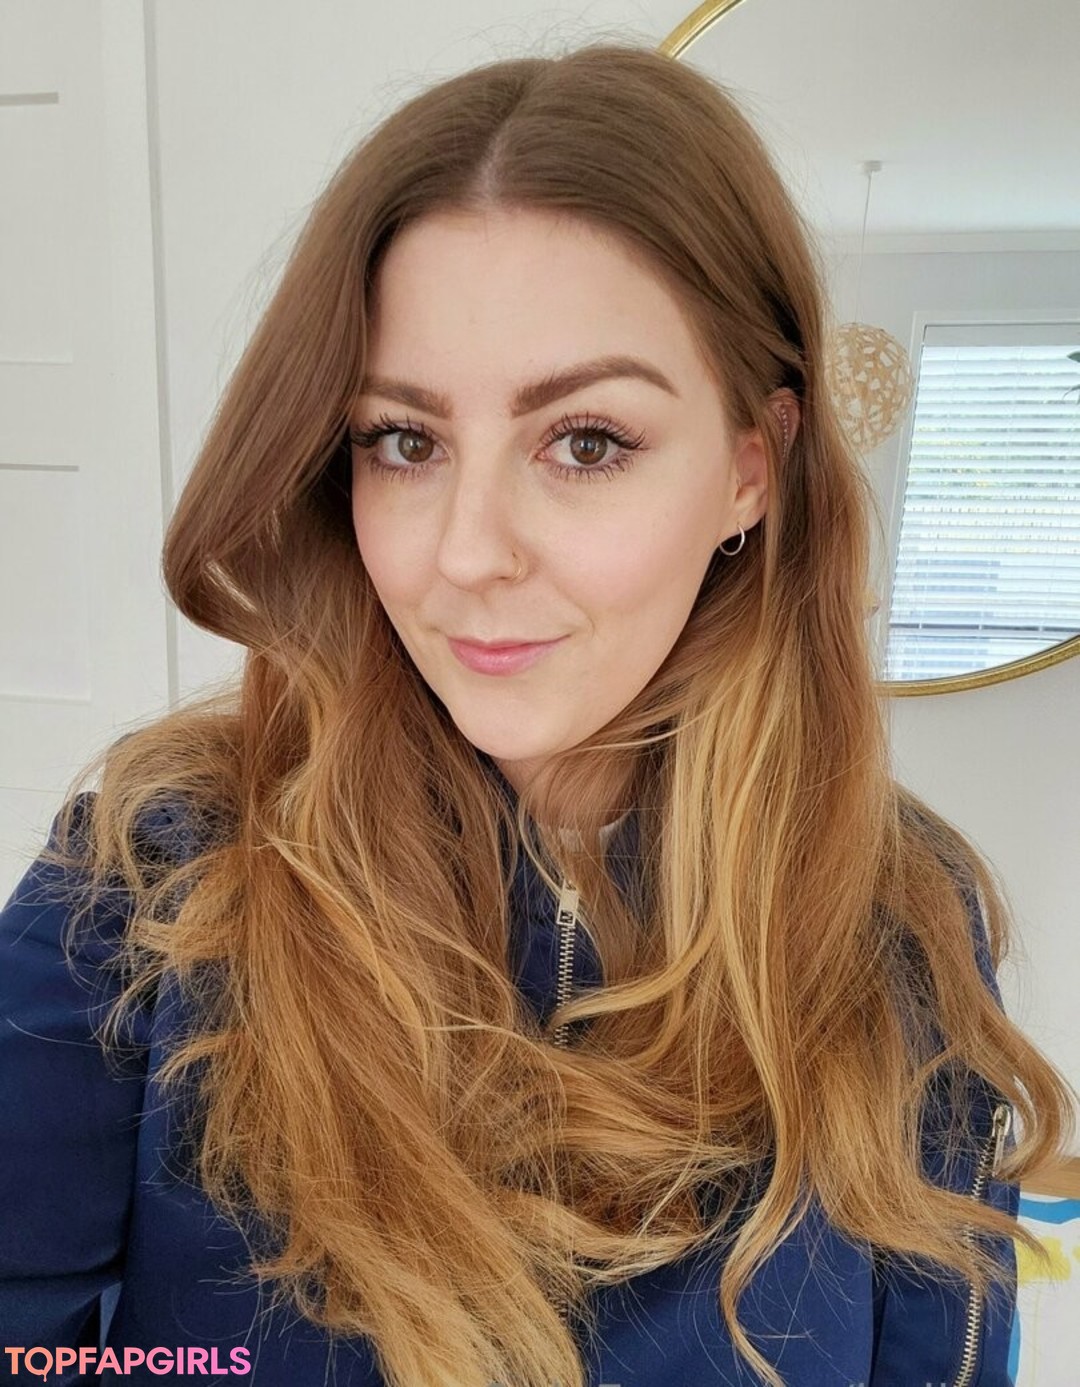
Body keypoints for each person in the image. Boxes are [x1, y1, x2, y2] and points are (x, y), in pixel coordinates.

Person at [1, 38, 1074, 1387]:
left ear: (752, 470)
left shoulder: (897, 913)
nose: (465, 553)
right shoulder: (150, 878)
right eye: (405, 441)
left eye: (586, 442)